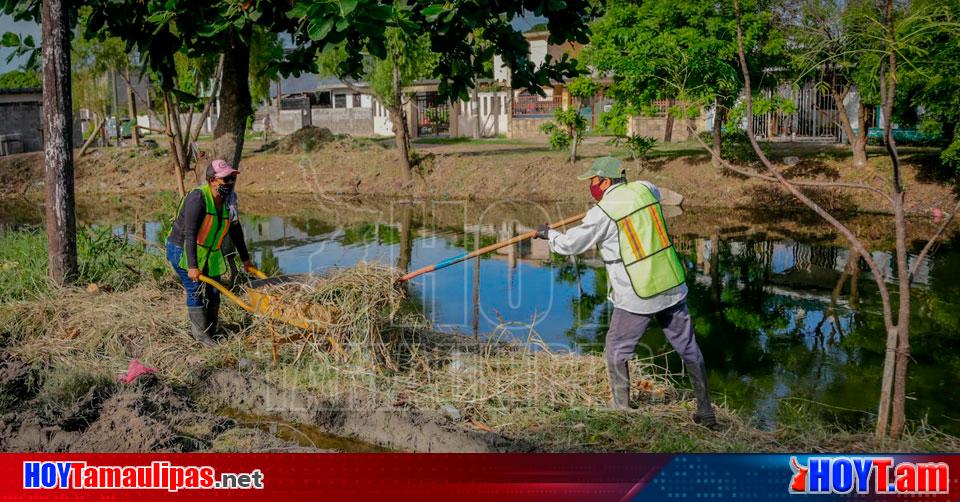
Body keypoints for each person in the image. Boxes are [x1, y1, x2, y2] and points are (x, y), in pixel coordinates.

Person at [535, 156, 722, 430]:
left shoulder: (603, 212)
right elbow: (653, 190)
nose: (591, 186)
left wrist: (548, 235)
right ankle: (706, 413)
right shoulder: (645, 189)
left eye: (593, 181)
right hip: (671, 284)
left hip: (639, 292)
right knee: (689, 347)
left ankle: (621, 409)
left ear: (606, 181)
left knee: (616, 349)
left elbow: (571, 245)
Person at [166, 159, 255, 346]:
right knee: (195, 289)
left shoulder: (229, 200)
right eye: (226, 179)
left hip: (209, 253)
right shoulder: (198, 199)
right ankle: (201, 336)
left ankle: (212, 331)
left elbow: (235, 231)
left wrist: (246, 260)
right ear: (212, 180)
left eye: (232, 178)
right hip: (182, 249)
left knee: (215, 290)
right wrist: (192, 267)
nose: (230, 183)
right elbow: (189, 234)